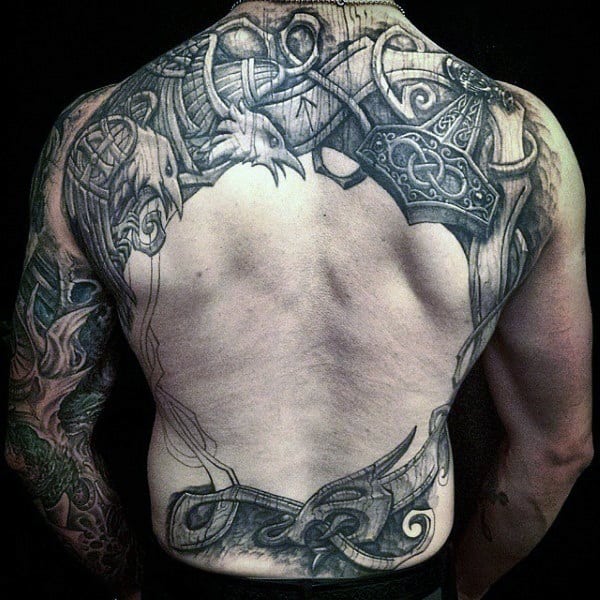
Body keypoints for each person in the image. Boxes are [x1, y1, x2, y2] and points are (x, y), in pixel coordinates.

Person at [4, 1, 593, 598]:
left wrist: (132, 587)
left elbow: (41, 436)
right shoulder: (525, 139)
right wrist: (463, 588)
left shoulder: (95, 131)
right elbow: (558, 449)